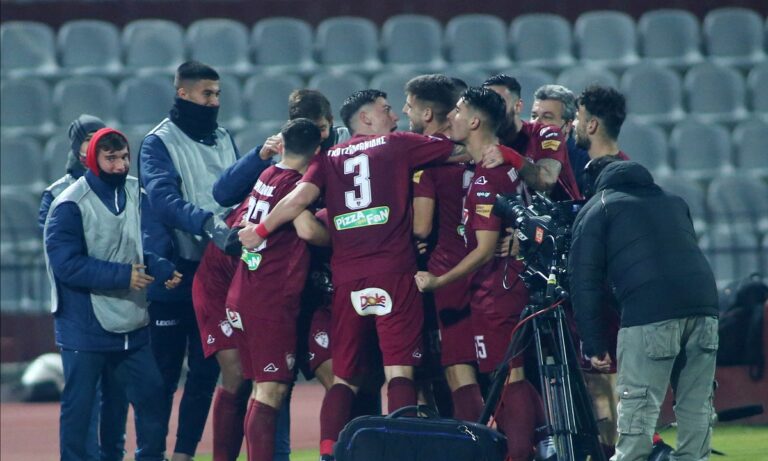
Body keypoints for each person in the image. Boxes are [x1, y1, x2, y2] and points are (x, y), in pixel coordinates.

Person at [238, 89, 507, 461]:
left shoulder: (329, 156)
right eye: (386, 110)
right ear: (365, 118)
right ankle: (400, 453)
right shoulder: (398, 144)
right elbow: (461, 151)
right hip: (394, 274)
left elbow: (298, 199)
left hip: (347, 280)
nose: (394, 116)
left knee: (345, 377)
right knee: (400, 372)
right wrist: (504, 153)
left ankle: (328, 453)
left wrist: (260, 230)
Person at [415, 87, 544, 461]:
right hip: (506, 283)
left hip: (497, 287)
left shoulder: (487, 178)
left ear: (474, 121)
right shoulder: (502, 166)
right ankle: (540, 446)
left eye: (456, 111)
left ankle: (517, 454)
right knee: (508, 374)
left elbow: (485, 249)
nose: (449, 117)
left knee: (509, 376)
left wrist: (438, 281)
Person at [44, 127, 182, 461]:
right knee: (80, 409)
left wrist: (161, 268)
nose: (120, 165)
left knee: (152, 396)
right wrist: (123, 276)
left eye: (124, 157)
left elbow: (136, 246)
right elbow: (66, 265)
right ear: (94, 160)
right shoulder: (69, 204)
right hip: (83, 323)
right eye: (111, 158)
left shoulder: (135, 192)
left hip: (131, 320)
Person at [568, 157, 719, 461]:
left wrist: (594, 343)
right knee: (697, 406)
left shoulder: (599, 207)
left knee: (637, 410)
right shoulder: (674, 202)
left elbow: (584, 283)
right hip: (705, 307)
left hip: (650, 312)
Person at [140, 60, 235, 461]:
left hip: (215, 270)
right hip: (175, 271)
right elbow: (162, 199)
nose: (214, 102)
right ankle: (151, 454)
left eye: (217, 94)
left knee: (205, 372)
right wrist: (208, 223)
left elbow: (236, 190)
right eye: (206, 94)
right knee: (162, 376)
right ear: (182, 93)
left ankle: (184, 455)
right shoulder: (158, 142)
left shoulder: (224, 137)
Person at [226, 118, 329, 461]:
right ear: (317, 150)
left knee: (260, 390)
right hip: (270, 299)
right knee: (271, 393)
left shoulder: (267, 175)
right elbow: (308, 232)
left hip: (244, 290)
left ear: (283, 143)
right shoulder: (296, 186)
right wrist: (341, 239)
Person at [38, 114, 131, 461]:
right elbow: (65, 258)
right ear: (78, 147)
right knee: (82, 401)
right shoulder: (57, 195)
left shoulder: (126, 189)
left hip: (120, 306)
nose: (97, 145)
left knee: (117, 398)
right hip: (78, 310)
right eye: (89, 139)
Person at [405, 74, 479, 420]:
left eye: (409, 106)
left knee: (456, 366)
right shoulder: (481, 151)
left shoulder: (426, 160)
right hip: (491, 266)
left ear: (428, 113)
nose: (404, 112)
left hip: (447, 271)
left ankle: (472, 441)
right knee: (501, 364)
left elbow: (420, 227)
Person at [483, 74, 581, 201]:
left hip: (560, 212)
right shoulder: (481, 139)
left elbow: (546, 180)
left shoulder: (547, 134)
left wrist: (511, 157)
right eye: (486, 105)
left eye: (499, 103)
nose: (492, 110)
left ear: (518, 106)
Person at [574, 85, 631, 195]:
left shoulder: (609, 177)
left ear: (592, 125)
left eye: (577, 118)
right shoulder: (625, 168)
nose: (573, 124)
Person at [530, 84, 590, 186]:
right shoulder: (522, 154)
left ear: (568, 125)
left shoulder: (585, 162)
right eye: (534, 116)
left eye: (547, 117)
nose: (536, 123)